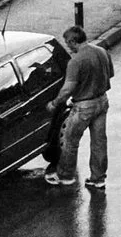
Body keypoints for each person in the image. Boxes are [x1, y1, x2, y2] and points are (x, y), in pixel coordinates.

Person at [46, 24, 113, 191]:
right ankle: (98, 179)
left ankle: (65, 176)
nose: (68, 47)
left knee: (70, 141)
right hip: (102, 101)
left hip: (83, 106)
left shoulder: (75, 61)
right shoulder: (102, 52)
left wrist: (54, 103)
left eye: (67, 43)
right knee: (99, 142)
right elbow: (110, 73)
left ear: (72, 41)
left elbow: (67, 89)